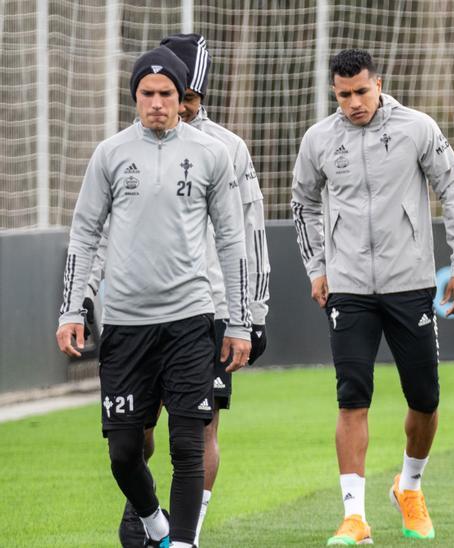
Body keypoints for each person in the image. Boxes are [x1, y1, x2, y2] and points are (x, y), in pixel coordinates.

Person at [56, 46, 253, 548]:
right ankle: (157, 524)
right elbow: (83, 236)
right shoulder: (110, 154)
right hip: (124, 325)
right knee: (124, 451)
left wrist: (238, 321)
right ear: (135, 97)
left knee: (187, 444)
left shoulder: (211, 154)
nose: (158, 103)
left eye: (167, 94)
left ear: (183, 97)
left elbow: (233, 241)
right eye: (148, 93)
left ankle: (183, 542)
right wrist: (72, 309)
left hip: (190, 320)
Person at [291, 48, 454, 546]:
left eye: (361, 92)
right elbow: (303, 202)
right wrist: (317, 267)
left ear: (379, 84)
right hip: (348, 288)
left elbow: (453, 186)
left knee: (425, 398)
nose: (354, 103)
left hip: (409, 283)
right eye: (344, 94)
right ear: (335, 93)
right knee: (352, 397)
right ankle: (354, 517)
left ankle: (409, 486)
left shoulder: (417, 127)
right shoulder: (319, 140)